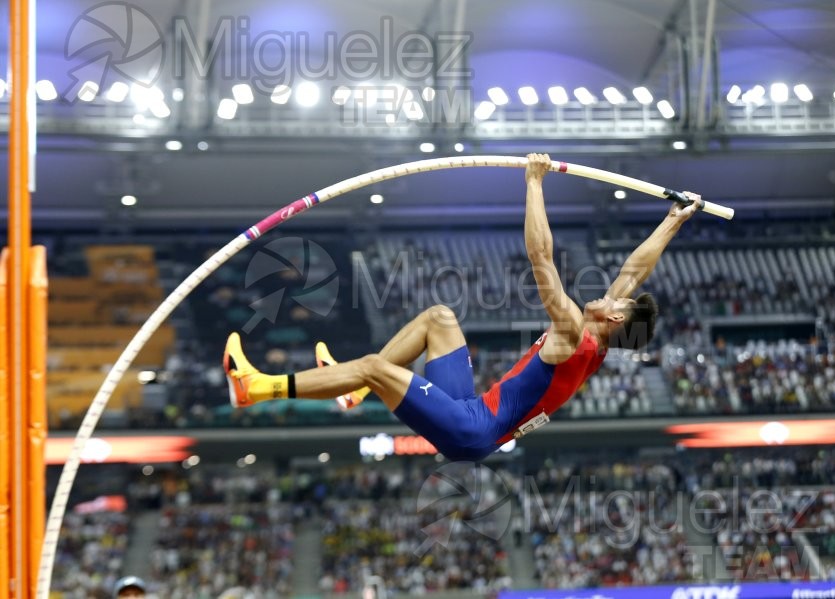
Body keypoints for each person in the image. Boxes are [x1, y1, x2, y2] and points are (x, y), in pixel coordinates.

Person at [224, 153, 701, 461]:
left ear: (615, 317)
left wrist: (534, 182)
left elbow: (541, 257)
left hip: (471, 432)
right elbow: (636, 271)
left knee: (370, 365)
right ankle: (353, 392)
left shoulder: (575, 333)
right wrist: (673, 220)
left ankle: (256, 387)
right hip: (471, 410)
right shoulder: (596, 341)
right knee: (439, 318)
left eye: (616, 297)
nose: (611, 287)